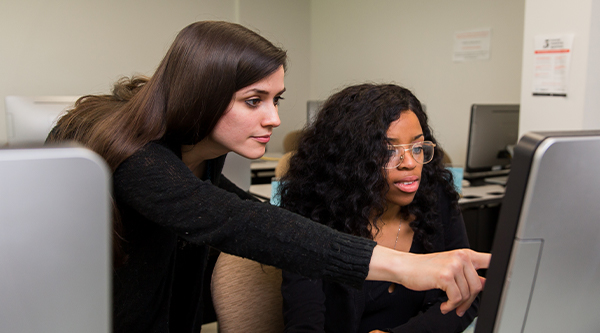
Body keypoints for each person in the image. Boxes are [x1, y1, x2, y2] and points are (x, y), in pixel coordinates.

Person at [46, 21, 488, 333]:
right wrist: (406, 265)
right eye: (254, 100)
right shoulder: (136, 158)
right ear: (202, 95)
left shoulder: (201, 156)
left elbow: (240, 210)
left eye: (276, 98)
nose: (275, 117)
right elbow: (233, 221)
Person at [279, 84, 479, 333]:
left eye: (417, 147)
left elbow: (466, 299)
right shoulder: (312, 215)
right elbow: (305, 325)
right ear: (350, 161)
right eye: (387, 152)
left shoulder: (435, 197)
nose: (410, 163)